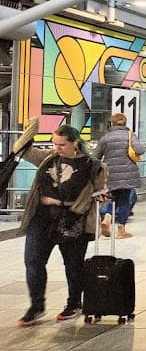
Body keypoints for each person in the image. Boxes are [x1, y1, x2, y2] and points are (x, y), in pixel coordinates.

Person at [18, 123, 108, 326]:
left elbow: (100, 193)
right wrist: (30, 130)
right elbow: (22, 150)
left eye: (62, 145)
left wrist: (102, 197)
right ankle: (36, 305)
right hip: (41, 219)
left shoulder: (92, 166)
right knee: (33, 261)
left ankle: (74, 303)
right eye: (55, 143)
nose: (57, 148)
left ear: (75, 143)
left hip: (73, 221)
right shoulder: (48, 158)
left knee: (73, 265)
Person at [94, 112, 145, 239]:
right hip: (128, 173)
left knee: (112, 197)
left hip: (110, 173)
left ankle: (106, 218)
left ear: (111, 123)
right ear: (125, 123)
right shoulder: (130, 135)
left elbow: (96, 157)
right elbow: (140, 150)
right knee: (124, 200)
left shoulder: (105, 138)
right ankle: (121, 230)